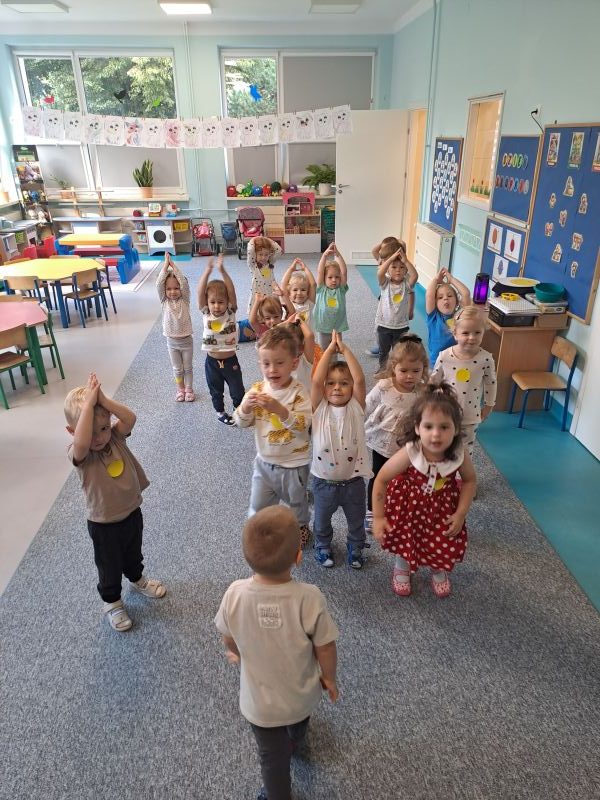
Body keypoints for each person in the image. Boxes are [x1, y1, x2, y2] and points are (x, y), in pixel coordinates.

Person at [215, 506, 338, 800]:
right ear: (298, 557)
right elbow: (325, 646)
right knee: (298, 723)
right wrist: (329, 678)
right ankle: (296, 742)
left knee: (271, 759)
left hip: (261, 707)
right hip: (301, 696)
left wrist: (236, 653)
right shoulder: (309, 598)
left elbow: (228, 635)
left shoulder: (234, 594)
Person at [64, 373, 166, 632]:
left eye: (104, 428)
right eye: (91, 431)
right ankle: (112, 602)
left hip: (131, 511)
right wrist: (89, 405)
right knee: (109, 567)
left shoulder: (115, 437)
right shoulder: (81, 454)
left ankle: (137, 579)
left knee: (134, 553)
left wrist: (104, 401)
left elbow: (130, 418)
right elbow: (83, 442)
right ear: (73, 432)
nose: (99, 437)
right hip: (103, 524)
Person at [372, 383, 476, 598]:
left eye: (444, 427)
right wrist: (379, 517)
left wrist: (460, 513)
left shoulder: (459, 452)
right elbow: (381, 479)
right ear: (418, 428)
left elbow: (469, 480)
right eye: (428, 426)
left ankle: (438, 568)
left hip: (442, 509)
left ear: (456, 428)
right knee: (405, 537)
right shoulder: (411, 451)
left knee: (441, 540)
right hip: (408, 507)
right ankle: (402, 567)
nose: (436, 434)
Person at [233, 326, 313, 548]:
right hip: (264, 463)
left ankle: (301, 527)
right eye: (266, 363)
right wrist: (245, 408)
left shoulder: (299, 393)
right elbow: (240, 422)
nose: (272, 369)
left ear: (294, 363)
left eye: (279, 363)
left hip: (294, 464)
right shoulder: (257, 390)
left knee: (297, 504)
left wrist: (281, 411)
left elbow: (303, 425)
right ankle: (259, 530)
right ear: (260, 364)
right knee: (257, 505)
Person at [310, 331, 371, 569]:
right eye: (331, 383)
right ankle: (323, 544)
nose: (337, 388)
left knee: (356, 520)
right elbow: (316, 381)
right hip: (323, 481)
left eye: (344, 383)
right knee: (322, 519)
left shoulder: (356, 407)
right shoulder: (319, 408)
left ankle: (356, 547)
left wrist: (344, 349)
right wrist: (329, 350)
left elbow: (360, 380)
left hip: (353, 481)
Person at [364, 334, 429, 534]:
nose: (410, 376)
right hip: (381, 442)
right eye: (404, 371)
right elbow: (366, 406)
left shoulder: (423, 391)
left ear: (424, 369)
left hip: (406, 446)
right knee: (377, 475)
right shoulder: (385, 386)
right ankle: (371, 511)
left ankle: (396, 507)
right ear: (394, 367)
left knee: (401, 479)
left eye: (416, 371)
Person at [430, 304, 497, 457]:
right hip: (445, 413)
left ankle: (463, 472)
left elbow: (491, 384)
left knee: (465, 451)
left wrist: (489, 406)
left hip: (470, 415)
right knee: (443, 446)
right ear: (455, 333)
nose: (472, 337)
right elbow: (434, 381)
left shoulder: (486, 359)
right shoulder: (444, 356)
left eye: (477, 332)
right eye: (465, 333)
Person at [197, 255, 245, 426]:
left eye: (221, 302)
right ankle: (220, 412)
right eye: (213, 302)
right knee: (215, 390)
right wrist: (207, 271)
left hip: (230, 360)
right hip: (212, 362)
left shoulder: (230, 312)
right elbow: (200, 293)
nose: (216, 306)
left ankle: (238, 410)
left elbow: (231, 291)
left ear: (227, 302)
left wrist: (223, 271)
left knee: (237, 389)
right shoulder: (206, 312)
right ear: (207, 303)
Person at [374, 239, 419, 369]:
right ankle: (383, 369)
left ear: (405, 270)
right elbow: (380, 272)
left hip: (401, 326)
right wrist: (391, 258)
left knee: (399, 353)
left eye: (402, 267)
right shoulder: (385, 283)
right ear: (388, 269)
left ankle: (396, 371)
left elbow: (415, 275)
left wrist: (405, 260)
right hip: (384, 325)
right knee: (383, 351)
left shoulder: (406, 284)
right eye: (394, 267)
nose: (398, 271)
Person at [156, 254, 194, 402]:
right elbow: (159, 283)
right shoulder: (164, 300)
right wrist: (165, 266)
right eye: (169, 289)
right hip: (172, 342)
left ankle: (189, 389)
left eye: (176, 288)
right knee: (177, 369)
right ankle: (180, 389)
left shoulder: (185, 299)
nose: (173, 291)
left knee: (188, 367)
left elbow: (183, 282)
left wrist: (174, 266)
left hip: (186, 341)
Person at [425, 267, 471, 367]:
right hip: (436, 363)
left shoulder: (460, 316)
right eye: (440, 297)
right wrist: (436, 280)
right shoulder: (434, 317)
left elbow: (466, 294)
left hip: (456, 363)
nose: (445, 298)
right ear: (435, 302)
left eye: (450, 296)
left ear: (457, 301)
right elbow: (429, 295)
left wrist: (451, 280)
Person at [313, 242, 349, 350]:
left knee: (336, 350)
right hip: (323, 327)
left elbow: (344, 272)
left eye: (337, 277)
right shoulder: (321, 289)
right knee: (323, 351)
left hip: (337, 327)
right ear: (324, 278)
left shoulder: (340, 289)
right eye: (330, 277)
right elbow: (320, 271)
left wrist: (338, 254)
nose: (334, 280)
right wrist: (324, 255)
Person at [247, 235, 282, 312]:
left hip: (270, 293)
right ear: (255, 254)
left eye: (266, 255)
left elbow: (279, 250)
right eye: (260, 254)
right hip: (257, 295)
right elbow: (250, 250)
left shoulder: (270, 262)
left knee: (269, 311)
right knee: (257, 312)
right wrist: (254, 239)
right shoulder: (253, 265)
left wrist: (267, 239)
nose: (263, 258)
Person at [280, 258, 317, 327]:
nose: (299, 293)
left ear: (308, 292)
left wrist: (305, 268)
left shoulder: (310, 303)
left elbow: (313, 284)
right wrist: (291, 269)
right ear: (289, 293)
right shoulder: (289, 304)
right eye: (295, 290)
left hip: (309, 334)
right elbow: (283, 285)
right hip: (293, 334)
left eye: (303, 290)